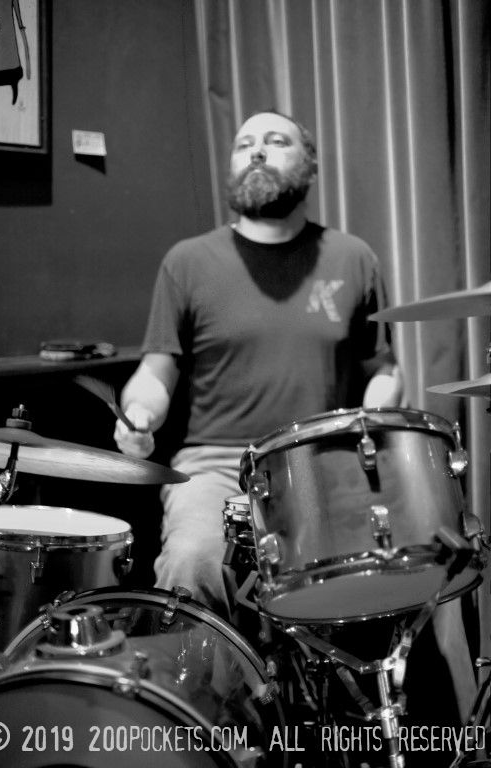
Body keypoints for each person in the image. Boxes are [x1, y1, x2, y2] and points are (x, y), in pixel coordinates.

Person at [114, 110, 402, 619]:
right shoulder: (188, 262)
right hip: (217, 465)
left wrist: (370, 425)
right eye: (244, 144)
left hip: (323, 459)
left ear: (310, 165)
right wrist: (139, 414)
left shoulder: (353, 258)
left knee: (404, 556)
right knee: (193, 561)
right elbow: (156, 373)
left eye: (276, 141)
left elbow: (383, 368)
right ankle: (202, 673)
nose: (258, 152)